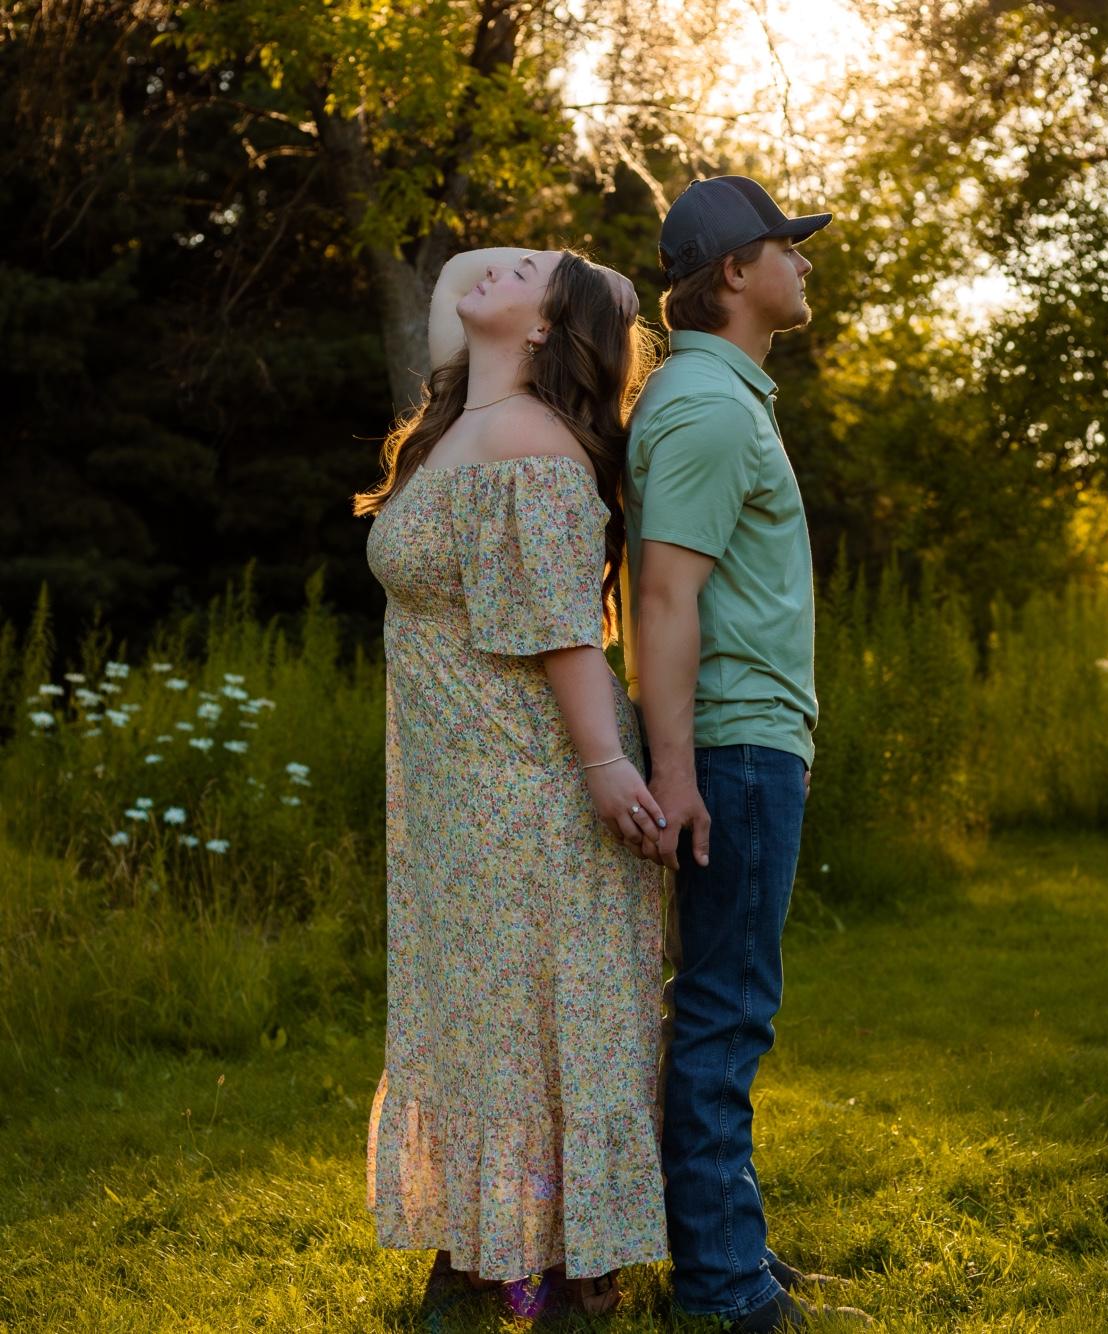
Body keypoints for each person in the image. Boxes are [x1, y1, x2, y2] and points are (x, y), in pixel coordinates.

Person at [355, 245, 670, 1317]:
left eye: (529, 270)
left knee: (541, 1023)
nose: (499, 266)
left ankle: (576, 1269)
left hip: (531, 785)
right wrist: (559, 280)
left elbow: (563, 632)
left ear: (543, 330)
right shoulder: (462, 415)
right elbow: (457, 273)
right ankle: (487, 1245)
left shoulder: (526, 441)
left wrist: (604, 768)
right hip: (462, 792)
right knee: (481, 1019)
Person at [624, 177, 863, 1331]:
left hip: (747, 741)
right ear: (732, 271)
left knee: (725, 1005)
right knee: (724, 1011)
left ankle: (729, 1248)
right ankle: (721, 1287)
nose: (803, 263)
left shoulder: (721, 397)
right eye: (786, 247)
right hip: (729, 747)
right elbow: (662, 597)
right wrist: (676, 772)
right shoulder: (709, 409)